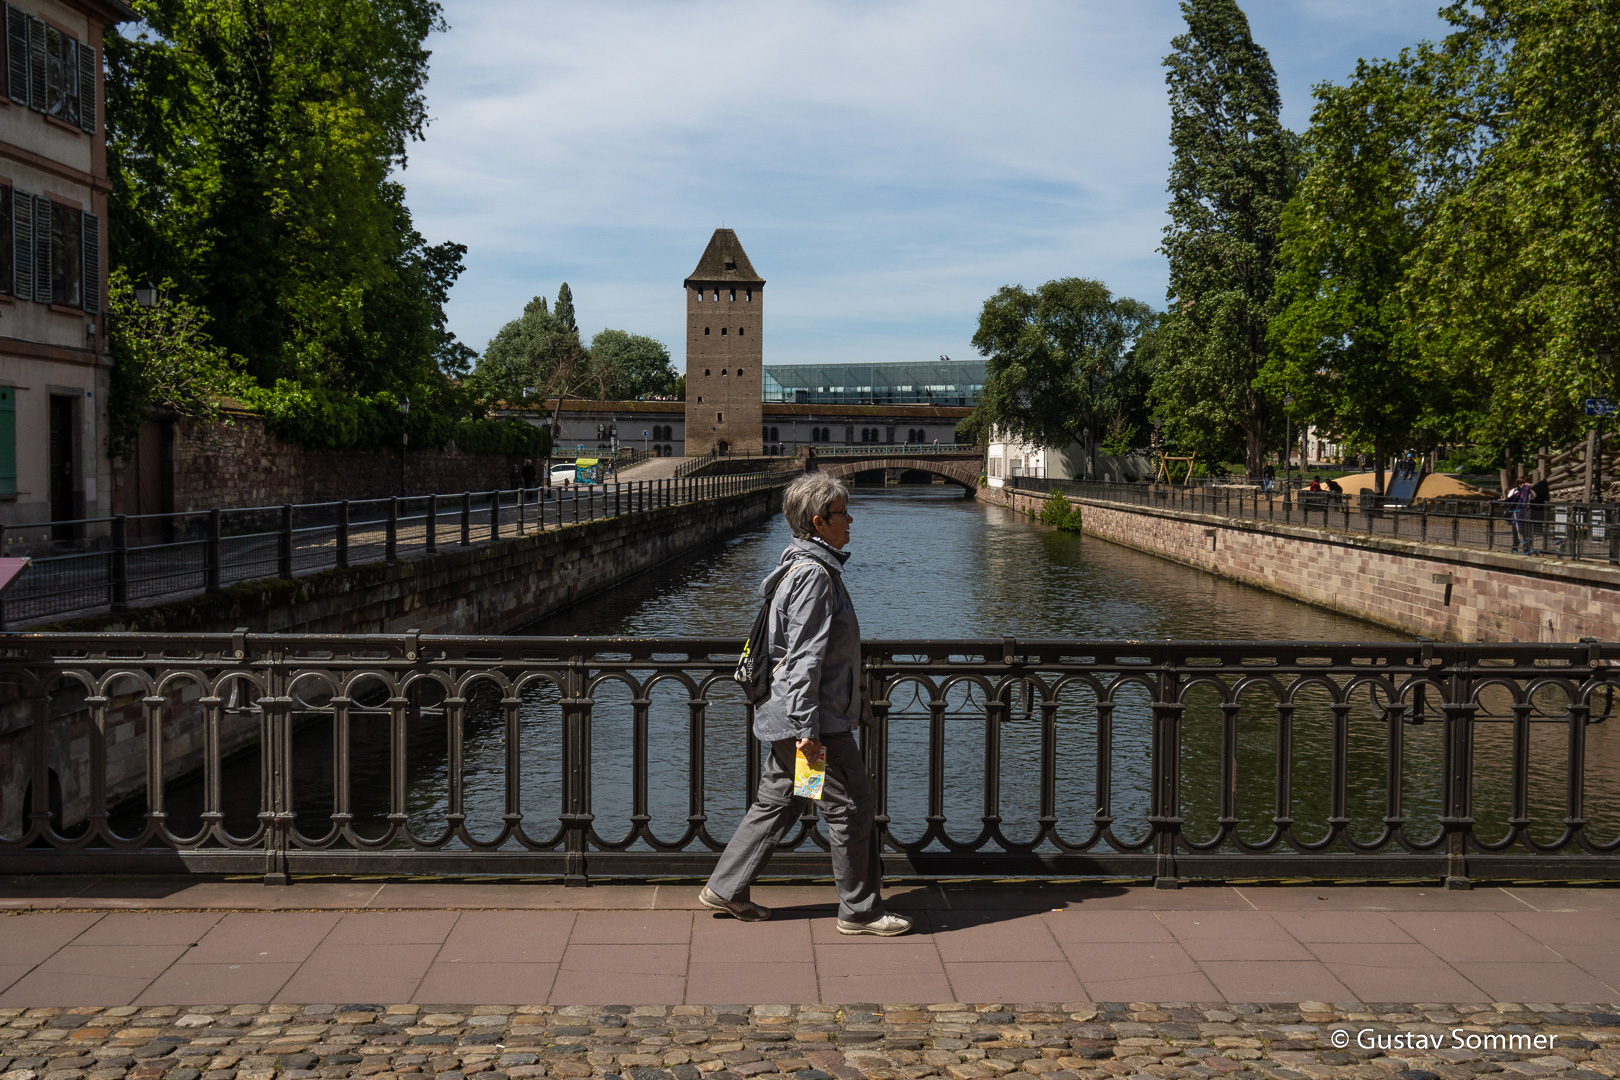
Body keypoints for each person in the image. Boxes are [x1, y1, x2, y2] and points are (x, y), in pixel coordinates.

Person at [699, 472, 912, 937]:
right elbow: (802, 660)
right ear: (819, 521)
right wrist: (807, 729)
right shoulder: (814, 576)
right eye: (842, 512)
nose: (851, 519)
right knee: (851, 808)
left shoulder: (800, 568)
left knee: (785, 798)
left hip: (795, 719)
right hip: (816, 724)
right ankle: (861, 911)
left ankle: (727, 885)